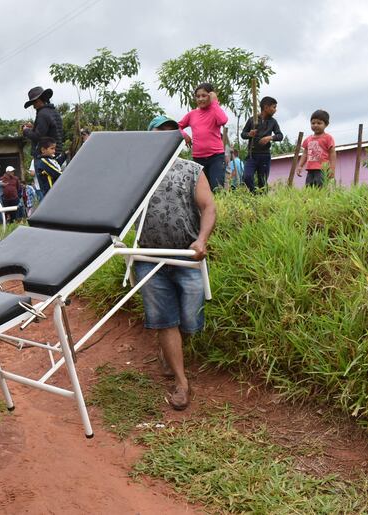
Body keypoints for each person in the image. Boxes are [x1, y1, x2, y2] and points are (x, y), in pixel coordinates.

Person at [136, 115, 217, 410]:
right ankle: (182, 382)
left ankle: (172, 351)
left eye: (173, 133)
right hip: (149, 258)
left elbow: (208, 207)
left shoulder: (192, 170)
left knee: (190, 319)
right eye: (160, 133)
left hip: (186, 256)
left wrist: (202, 240)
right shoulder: (138, 174)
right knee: (164, 320)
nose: (168, 138)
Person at [177, 83, 229, 191]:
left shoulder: (215, 111)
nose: (201, 99)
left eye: (204, 95)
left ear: (211, 96)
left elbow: (223, 120)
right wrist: (184, 135)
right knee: (201, 191)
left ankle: (219, 207)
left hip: (216, 157)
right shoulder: (192, 114)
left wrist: (215, 102)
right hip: (198, 158)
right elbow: (177, 127)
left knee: (217, 188)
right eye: (198, 96)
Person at [240, 96, 284, 193]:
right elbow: (243, 134)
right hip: (252, 155)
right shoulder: (252, 120)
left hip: (265, 155)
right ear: (266, 107)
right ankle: (254, 194)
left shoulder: (273, 122)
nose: (275, 110)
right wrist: (249, 134)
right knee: (247, 177)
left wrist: (270, 137)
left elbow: (280, 136)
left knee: (262, 181)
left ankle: (262, 201)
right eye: (274, 107)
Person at [22, 86, 64, 162]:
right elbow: (49, 132)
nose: (34, 106)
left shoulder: (42, 114)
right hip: (56, 153)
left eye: (34, 103)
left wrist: (26, 130)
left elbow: (37, 136)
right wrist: (33, 128)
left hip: (46, 157)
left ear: (38, 100)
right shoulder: (54, 112)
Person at [296, 110, 336, 188]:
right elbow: (305, 154)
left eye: (319, 123)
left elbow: (332, 154)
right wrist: (300, 166)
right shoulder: (308, 139)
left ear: (326, 124)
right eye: (313, 123)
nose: (315, 125)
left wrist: (332, 169)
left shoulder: (328, 138)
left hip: (322, 170)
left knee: (321, 188)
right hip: (310, 169)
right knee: (309, 188)